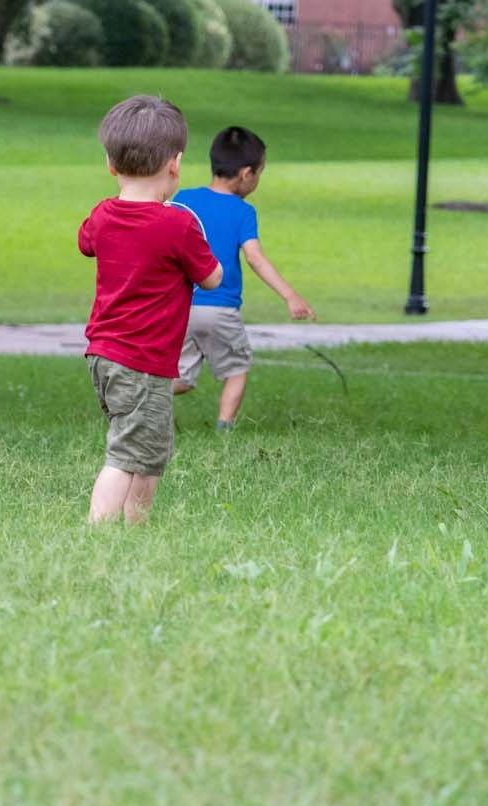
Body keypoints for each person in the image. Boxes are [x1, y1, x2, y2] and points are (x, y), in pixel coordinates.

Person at [79, 94, 221, 524]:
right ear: (175, 164)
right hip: (142, 363)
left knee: (149, 449)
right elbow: (212, 277)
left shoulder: (103, 214)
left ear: (110, 163)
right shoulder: (178, 225)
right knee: (126, 453)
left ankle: (136, 528)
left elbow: (86, 243)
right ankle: (98, 531)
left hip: (104, 355)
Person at [170, 125, 315, 431]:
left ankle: (142, 400)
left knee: (180, 377)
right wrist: (290, 295)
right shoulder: (242, 212)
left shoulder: (183, 199)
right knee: (236, 369)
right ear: (247, 173)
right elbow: (254, 257)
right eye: (260, 173)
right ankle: (224, 427)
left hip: (180, 307)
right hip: (221, 309)